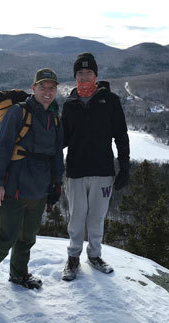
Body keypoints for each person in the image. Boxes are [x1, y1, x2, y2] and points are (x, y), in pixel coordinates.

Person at [0, 68, 64, 302]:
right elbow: (1, 149)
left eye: (52, 87)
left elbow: (57, 154)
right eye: (43, 87)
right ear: (34, 88)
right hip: (15, 187)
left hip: (39, 189)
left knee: (27, 238)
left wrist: (56, 184)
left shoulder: (54, 117)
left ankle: (19, 274)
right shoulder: (18, 113)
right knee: (5, 238)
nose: (48, 92)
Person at [61, 52, 130, 281]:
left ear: (96, 74)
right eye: (79, 73)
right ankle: (73, 258)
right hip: (76, 172)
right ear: (75, 76)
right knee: (76, 218)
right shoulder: (70, 104)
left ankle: (95, 255)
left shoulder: (110, 101)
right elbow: (62, 139)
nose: (84, 76)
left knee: (97, 218)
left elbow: (121, 135)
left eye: (88, 72)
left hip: (102, 171)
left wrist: (125, 166)